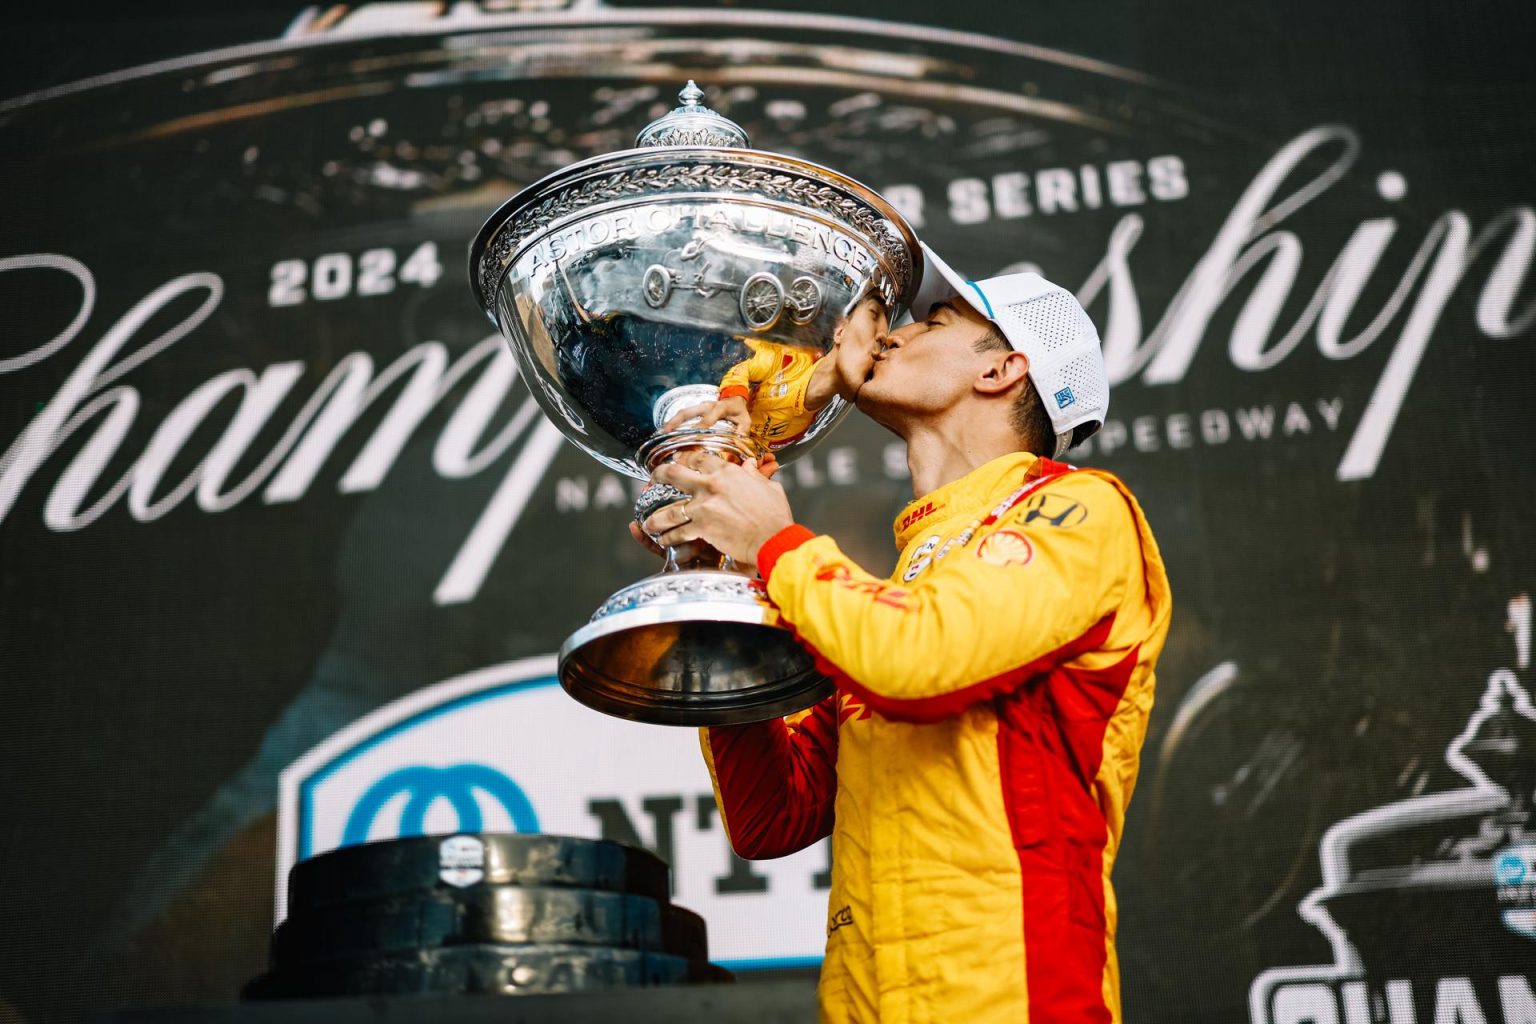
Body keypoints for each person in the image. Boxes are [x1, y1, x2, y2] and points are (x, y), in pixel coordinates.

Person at [639, 243, 1173, 1024]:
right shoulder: (891, 598)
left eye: (939, 321)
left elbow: (917, 660)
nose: (891, 334)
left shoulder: (1082, 512)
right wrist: (724, 584)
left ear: (1000, 371)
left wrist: (776, 545)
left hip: (1015, 999)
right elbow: (772, 814)